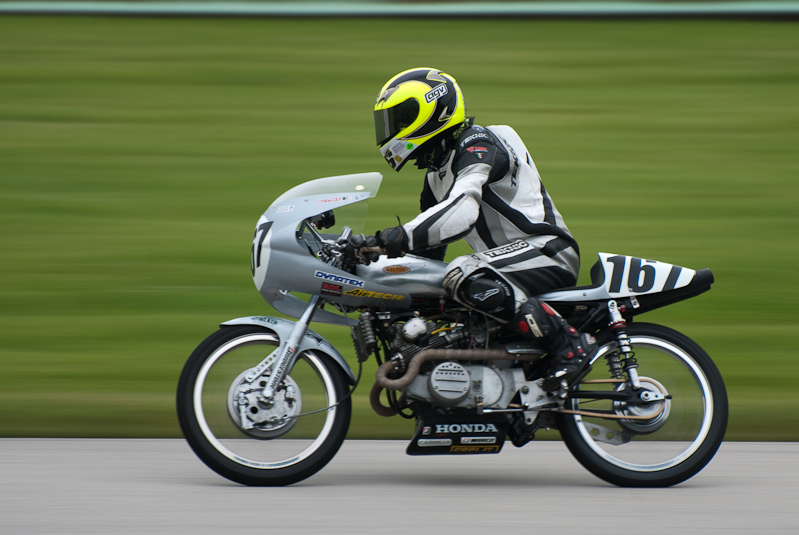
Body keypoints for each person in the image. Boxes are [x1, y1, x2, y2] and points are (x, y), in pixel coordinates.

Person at [353, 67, 596, 392]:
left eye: (399, 118)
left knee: (461, 272)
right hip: (503, 270)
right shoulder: (436, 177)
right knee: (437, 287)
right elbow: (426, 255)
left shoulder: (479, 143)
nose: (390, 131)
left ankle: (571, 345)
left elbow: (462, 212)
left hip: (547, 251)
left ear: (430, 111)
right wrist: (373, 271)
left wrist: (390, 238)